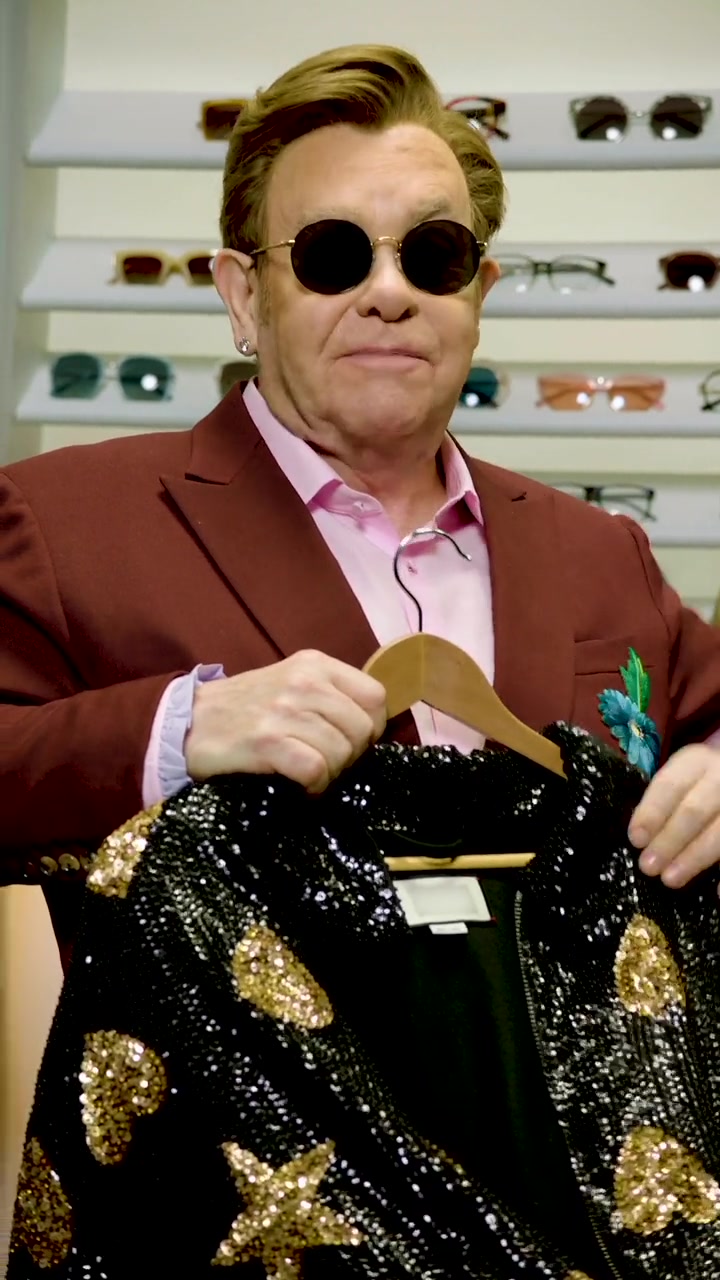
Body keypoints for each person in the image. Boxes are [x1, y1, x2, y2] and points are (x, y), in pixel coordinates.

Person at [3, 41, 720, 968]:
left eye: (433, 256)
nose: (388, 293)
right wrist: (173, 732)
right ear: (244, 298)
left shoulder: (601, 551)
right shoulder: (65, 525)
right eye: (332, 256)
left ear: (478, 296)